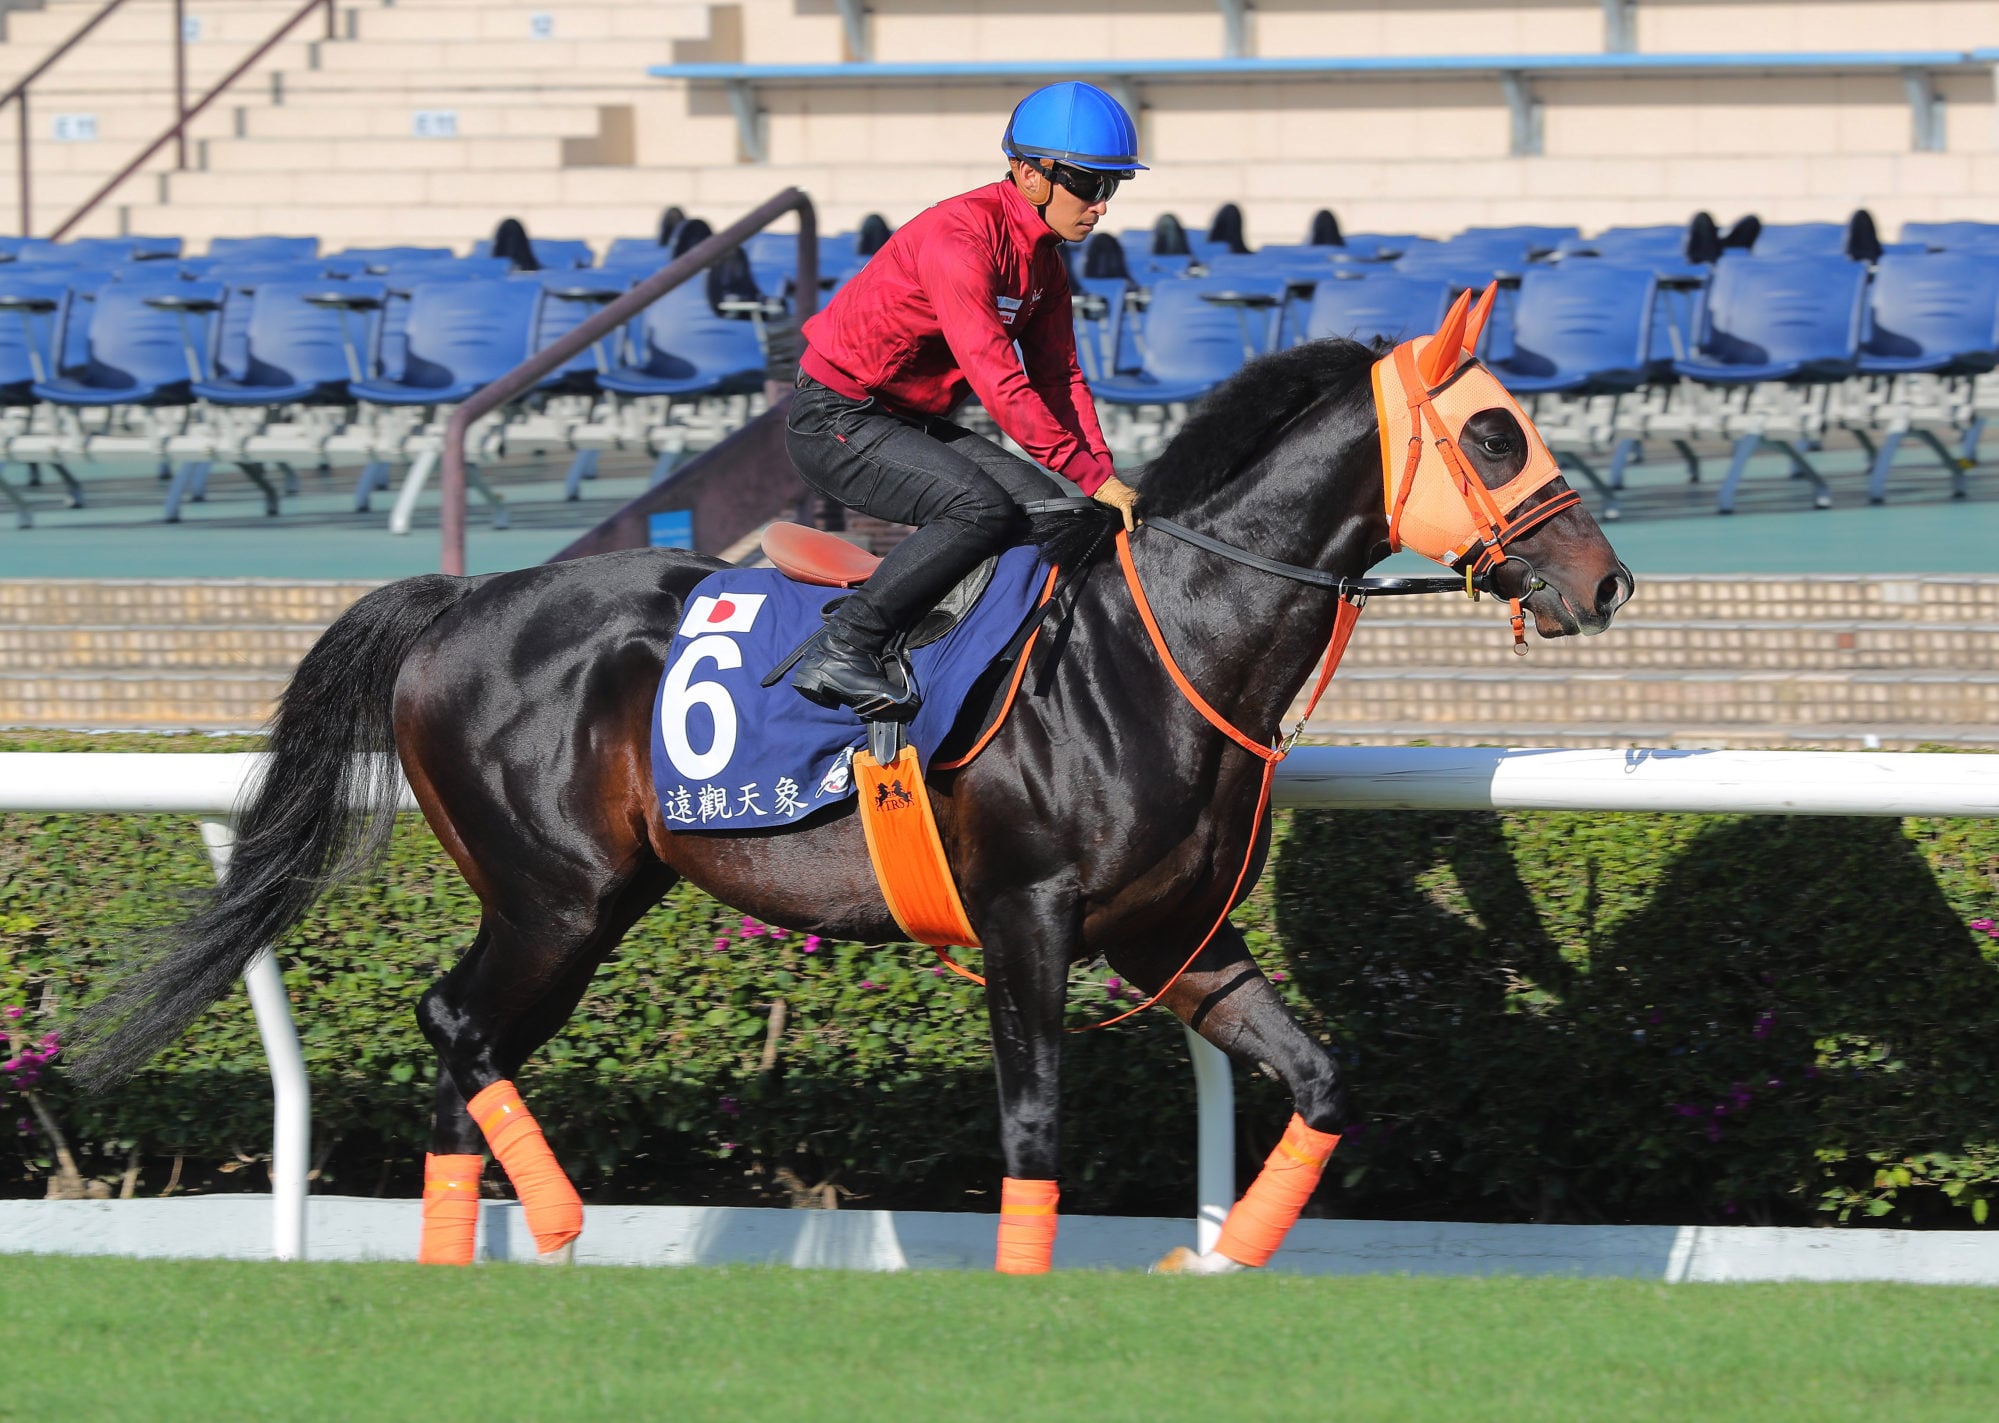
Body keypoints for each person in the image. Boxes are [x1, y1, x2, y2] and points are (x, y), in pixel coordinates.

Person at [783, 80, 1144, 717]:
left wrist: (1102, 476)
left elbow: (1060, 378)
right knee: (980, 511)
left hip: (902, 418)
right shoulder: (960, 239)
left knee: (1049, 509)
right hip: (835, 418)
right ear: (1031, 175)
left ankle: (980, 655)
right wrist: (1089, 473)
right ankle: (846, 646)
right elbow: (998, 378)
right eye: (1091, 185)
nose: (1102, 205)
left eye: (1112, 187)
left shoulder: (1047, 264)